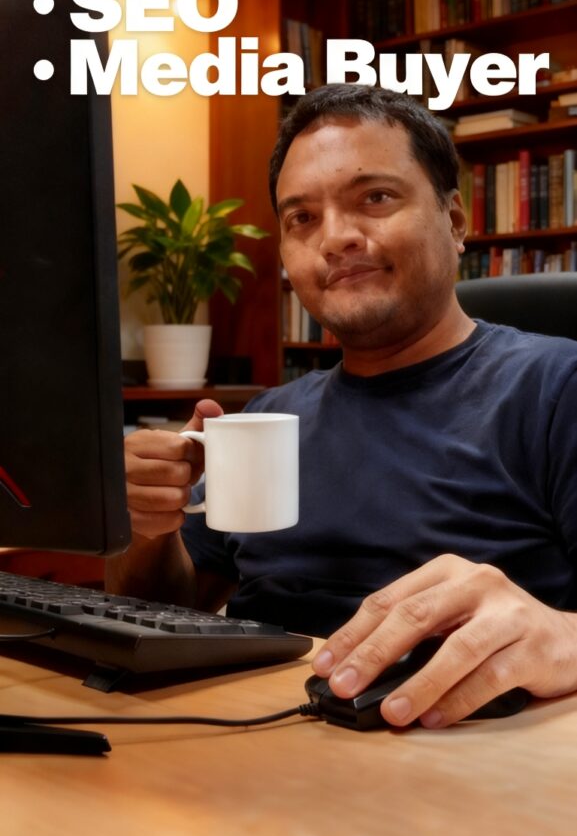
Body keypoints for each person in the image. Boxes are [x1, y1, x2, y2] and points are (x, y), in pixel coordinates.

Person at [113, 84, 577, 730]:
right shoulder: (268, 416)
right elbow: (168, 611)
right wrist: (146, 529)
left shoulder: (555, 386)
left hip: (457, 748)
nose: (334, 238)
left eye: (375, 198)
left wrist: (562, 636)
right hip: (242, 733)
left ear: (454, 221)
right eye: (301, 217)